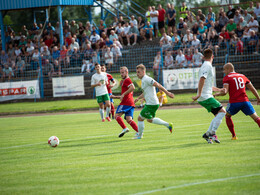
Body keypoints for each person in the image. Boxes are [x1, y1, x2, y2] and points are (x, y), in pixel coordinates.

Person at [213, 63, 260, 140]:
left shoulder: (227, 78)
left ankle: (234, 136)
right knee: (256, 118)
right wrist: (258, 98)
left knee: (227, 116)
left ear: (229, 69)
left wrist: (216, 94)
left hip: (234, 102)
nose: (223, 71)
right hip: (245, 101)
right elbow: (252, 88)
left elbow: (225, 92)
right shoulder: (242, 76)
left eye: (224, 69)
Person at [192, 48, 226, 144]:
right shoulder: (207, 66)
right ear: (213, 57)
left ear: (203, 57)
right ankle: (212, 133)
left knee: (217, 115)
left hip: (205, 95)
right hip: (205, 96)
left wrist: (219, 89)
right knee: (223, 112)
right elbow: (202, 79)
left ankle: (207, 134)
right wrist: (199, 94)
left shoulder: (205, 65)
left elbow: (208, 85)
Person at [134, 64, 174, 139]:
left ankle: (139, 135)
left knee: (140, 118)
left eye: (139, 72)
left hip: (151, 103)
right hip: (151, 103)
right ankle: (168, 125)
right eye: (137, 72)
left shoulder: (147, 79)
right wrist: (138, 98)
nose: (137, 74)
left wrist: (167, 93)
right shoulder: (143, 80)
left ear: (143, 71)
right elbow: (145, 92)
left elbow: (158, 85)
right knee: (149, 120)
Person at [110, 66, 139, 138]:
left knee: (117, 116)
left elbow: (133, 88)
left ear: (127, 72)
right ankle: (139, 132)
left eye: (123, 73)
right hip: (130, 103)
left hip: (125, 103)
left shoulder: (127, 80)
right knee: (129, 119)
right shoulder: (125, 81)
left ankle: (125, 128)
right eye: (121, 73)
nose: (122, 74)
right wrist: (115, 97)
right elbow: (125, 95)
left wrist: (123, 94)